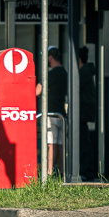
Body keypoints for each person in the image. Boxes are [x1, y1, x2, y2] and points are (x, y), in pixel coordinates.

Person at [35, 47, 67, 176]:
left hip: (51, 113)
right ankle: (62, 173)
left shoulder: (50, 74)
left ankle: (48, 173)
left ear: (50, 57)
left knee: (51, 145)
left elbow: (37, 91)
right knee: (60, 145)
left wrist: (45, 90)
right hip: (62, 114)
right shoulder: (65, 73)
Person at [77, 46, 99, 180]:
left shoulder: (83, 72)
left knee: (83, 143)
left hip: (82, 113)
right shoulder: (85, 71)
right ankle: (86, 171)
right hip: (82, 113)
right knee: (83, 142)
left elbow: (73, 87)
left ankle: (87, 171)